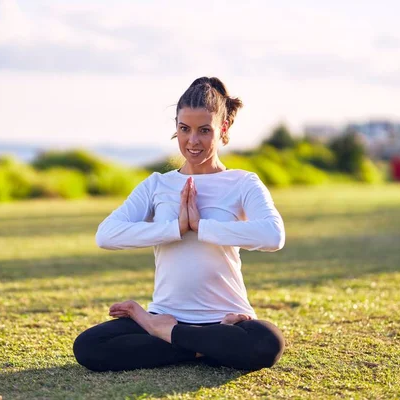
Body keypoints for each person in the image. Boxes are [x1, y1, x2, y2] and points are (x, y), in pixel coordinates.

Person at [73, 77, 286, 372]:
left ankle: (168, 335)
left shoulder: (242, 183)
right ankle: (200, 346)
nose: (192, 141)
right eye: (184, 129)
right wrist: (176, 229)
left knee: (267, 342)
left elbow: (273, 235)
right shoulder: (157, 185)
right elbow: (106, 235)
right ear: (176, 127)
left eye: (204, 130)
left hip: (226, 319)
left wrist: (202, 227)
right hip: (168, 313)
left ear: (223, 129)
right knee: (89, 347)